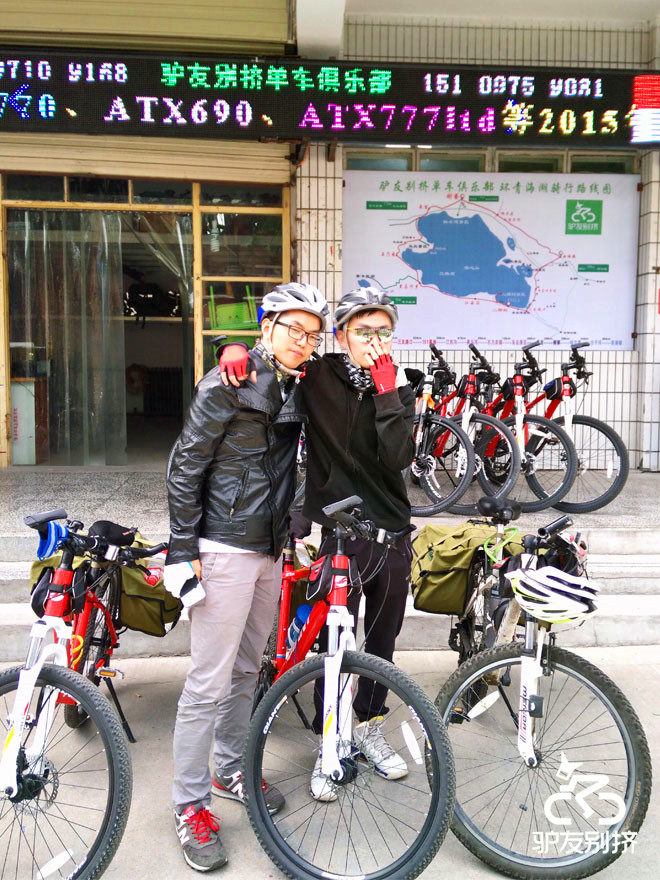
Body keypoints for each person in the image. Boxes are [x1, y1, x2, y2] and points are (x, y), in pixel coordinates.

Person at [219, 286, 415, 803]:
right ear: (343, 335)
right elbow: (275, 361)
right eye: (363, 331)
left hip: (391, 534)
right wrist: (233, 349)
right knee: (335, 644)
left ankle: (369, 727)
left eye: (383, 332)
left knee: (382, 644)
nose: (374, 341)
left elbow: (398, 458)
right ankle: (332, 741)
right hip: (341, 533)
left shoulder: (399, 385)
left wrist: (387, 394)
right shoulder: (318, 375)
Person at [166, 283, 329, 872]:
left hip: (270, 549)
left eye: (312, 335)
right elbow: (186, 464)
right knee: (207, 682)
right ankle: (189, 806)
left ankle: (230, 768)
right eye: (293, 329)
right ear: (267, 327)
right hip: (223, 545)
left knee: (246, 670)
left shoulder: (298, 381)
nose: (302, 342)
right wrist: (183, 548)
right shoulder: (227, 381)